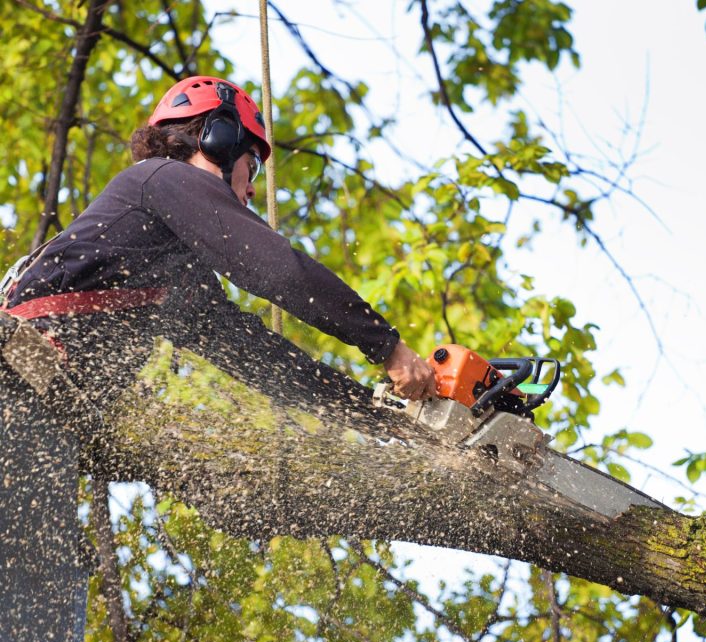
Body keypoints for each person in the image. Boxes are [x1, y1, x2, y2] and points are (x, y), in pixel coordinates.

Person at [3, 75, 436, 402]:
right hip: (19, 367)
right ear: (218, 140)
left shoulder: (177, 273)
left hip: (46, 398)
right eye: (254, 164)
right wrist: (386, 345)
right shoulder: (161, 178)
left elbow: (256, 357)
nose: (252, 189)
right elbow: (279, 271)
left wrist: (373, 410)